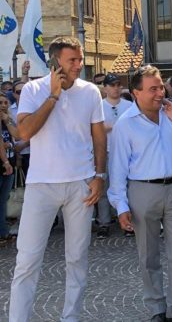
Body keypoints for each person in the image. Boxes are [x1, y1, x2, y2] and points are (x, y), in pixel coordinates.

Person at [9, 36, 106, 322]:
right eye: (72, 60)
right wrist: (52, 96)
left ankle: (71, 317)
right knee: (27, 260)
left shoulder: (90, 92)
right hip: (41, 185)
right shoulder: (32, 89)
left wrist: (99, 175)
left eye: (80, 58)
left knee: (77, 258)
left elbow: (98, 137)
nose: (79, 65)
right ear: (56, 62)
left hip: (81, 184)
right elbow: (25, 133)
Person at [108, 65, 172, 322]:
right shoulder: (125, 125)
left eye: (161, 86)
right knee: (148, 254)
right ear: (136, 93)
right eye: (153, 89)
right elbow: (117, 169)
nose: (160, 92)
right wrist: (120, 206)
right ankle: (156, 308)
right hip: (142, 191)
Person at [96, 73, 133, 240]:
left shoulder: (129, 105)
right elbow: (93, 129)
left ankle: (128, 222)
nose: (116, 88)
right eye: (112, 85)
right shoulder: (98, 106)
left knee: (128, 188)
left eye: (118, 85)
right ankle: (103, 223)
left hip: (126, 152)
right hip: (105, 151)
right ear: (105, 88)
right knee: (104, 188)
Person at [0, 93, 17, 243]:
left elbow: (15, 137)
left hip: (9, 162)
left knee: (3, 200)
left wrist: (7, 120)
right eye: (0, 103)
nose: (4, 105)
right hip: (3, 164)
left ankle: (3, 232)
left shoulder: (7, 121)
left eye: (6, 102)